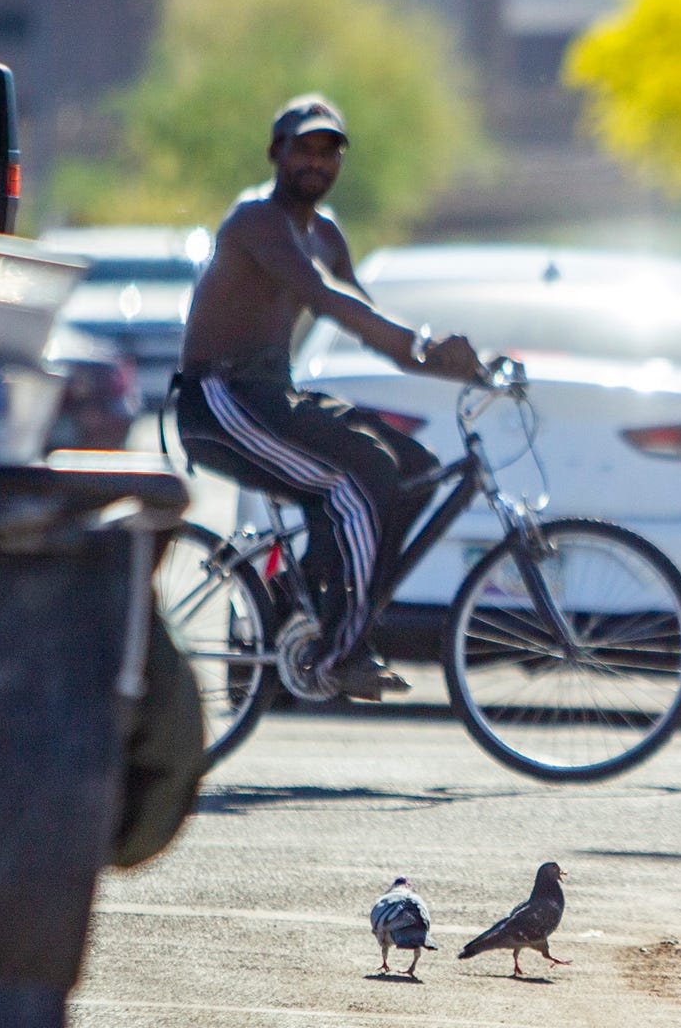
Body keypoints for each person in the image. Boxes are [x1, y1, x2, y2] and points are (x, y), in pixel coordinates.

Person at [175, 96, 483, 701]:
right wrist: (424, 344)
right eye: (304, 149)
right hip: (220, 399)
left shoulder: (326, 232)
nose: (317, 163)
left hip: (269, 395)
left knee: (414, 470)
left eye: (329, 152)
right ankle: (341, 654)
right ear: (276, 154)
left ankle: (309, 606)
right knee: (359, 476)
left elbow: (366, 322)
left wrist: (460, 366)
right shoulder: (256, 221)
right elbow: (324, 298)